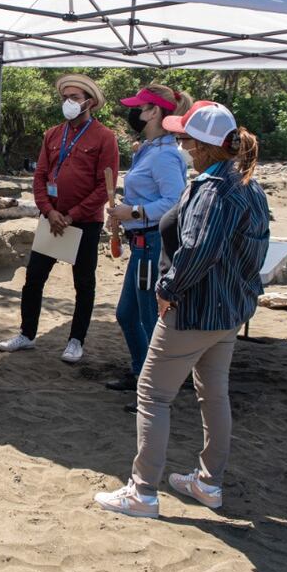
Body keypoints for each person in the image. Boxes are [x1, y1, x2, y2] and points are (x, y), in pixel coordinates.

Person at [95, 102, 268, 518]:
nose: (184, 143)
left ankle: (143, 492)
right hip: (227, 311)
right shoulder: (246, 183)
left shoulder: (213, 189)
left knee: (153, 395)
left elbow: (197, 251)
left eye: (189, 137)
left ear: (206, 145)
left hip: (194, 310)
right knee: (214, 395)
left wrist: (168, 289)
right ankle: (208, 482)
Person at [0, 75, 118, 364]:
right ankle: (26, 334)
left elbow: (105, 186)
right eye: (65, 97)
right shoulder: (52, 134)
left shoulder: (104, 137)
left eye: (75, 98)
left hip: (85, 222)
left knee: (83, 283)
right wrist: (49, 211)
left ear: (89, 101)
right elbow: (39, 176)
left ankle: (76, 340)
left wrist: (72, 214)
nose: (69, 102)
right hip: (51, 219)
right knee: (34, 278)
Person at [102, 84, 190, 392]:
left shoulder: (165, 155)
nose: (136, 114)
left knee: (151, 318)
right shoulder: (150, 150)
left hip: (152, 243)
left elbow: (175, 201)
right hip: (141, 243)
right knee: (127, 314)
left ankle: (156, 385)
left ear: (154, 112)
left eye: (141, 109)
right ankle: (142, 372)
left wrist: (134, 212)